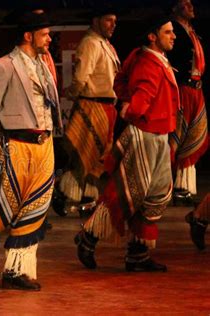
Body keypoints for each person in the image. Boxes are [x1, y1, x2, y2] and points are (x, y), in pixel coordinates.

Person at [0, 11, 59, 290]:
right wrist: (7, 131)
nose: (49, 38)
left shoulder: (44, 65)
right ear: (28, 36)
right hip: (17, 146)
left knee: (35, 208)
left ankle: (16, 271)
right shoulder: (4, 65)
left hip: (44, 145)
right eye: (45, 34)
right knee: (7, 208)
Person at [74, 16, 178, 272]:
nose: (173, 36)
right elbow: (141, 97)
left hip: (158, 134)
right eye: (168, 32)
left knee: (154, 195)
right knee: (126, 193)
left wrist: (124, 100)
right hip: (147, 135)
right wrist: (132, 110)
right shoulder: (148, 63)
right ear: (152, 36)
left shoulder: (145, 57)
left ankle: (138, 252)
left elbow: (119, 82)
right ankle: (89, 236)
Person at [53, 6, 121, 217]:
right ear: (96, 20)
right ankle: (63, 194)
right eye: (109, 20)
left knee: (96, 160)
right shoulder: (90, 43)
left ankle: (86, 200)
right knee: (85, 157)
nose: (113, 25)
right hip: (92, 105)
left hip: (106, 106)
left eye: (115, 21)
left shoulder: (105, 44)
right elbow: (81, 77)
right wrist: (75, 96)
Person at [167, 0, 208, 205]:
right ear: (175, 8)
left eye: (192, 3)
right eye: (185, 3)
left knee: (194, 134)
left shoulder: (191, 30)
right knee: (177, 136)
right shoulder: (172, 29)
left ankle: (186, 187)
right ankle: (171, 187)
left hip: (196, 88)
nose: (191, 6)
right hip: (182, 88)